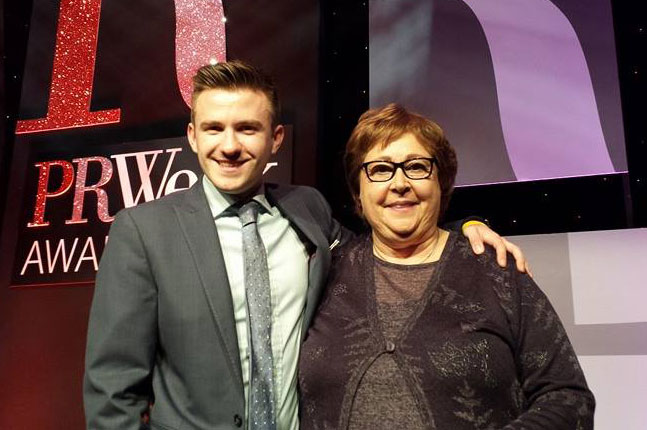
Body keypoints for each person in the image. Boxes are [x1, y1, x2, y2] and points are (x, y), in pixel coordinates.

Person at [83, 61, 527, 430]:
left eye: (247, 128)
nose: (229, 146)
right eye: (214, 128)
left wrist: (466, 226)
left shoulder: (306, 209)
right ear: (194, 136)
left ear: (275, 138)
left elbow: (381, 248)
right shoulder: (143, 231)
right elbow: (112, 388)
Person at [299, 104, 595, 429]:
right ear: (358, 189)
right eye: (380, 169)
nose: (399, 183)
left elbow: (568, 399)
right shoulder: (325, 272)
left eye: (417, 166)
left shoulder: (495, 270)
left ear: (441, 182)